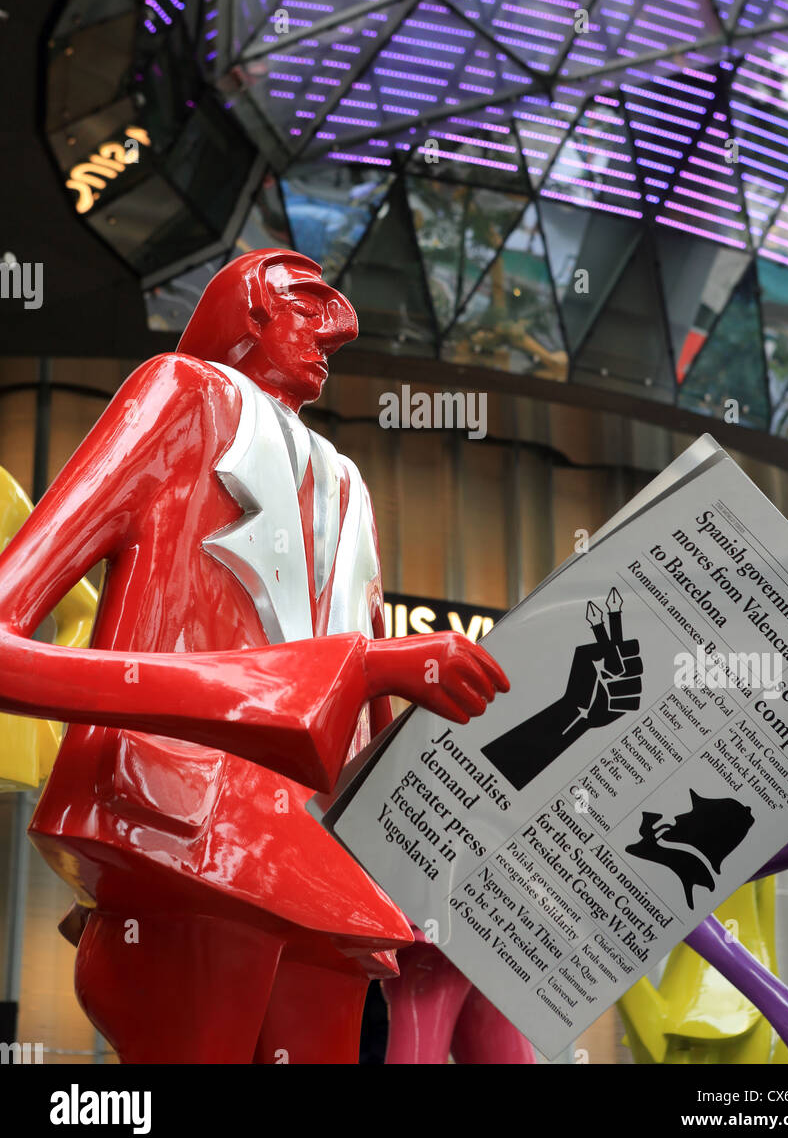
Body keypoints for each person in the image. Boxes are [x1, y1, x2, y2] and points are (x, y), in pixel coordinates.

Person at [0, 249, 507, 1063]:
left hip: (324, 875)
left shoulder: (348, 489)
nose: (331, 331)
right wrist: (354, 670)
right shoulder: (182, 395)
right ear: (248, 313)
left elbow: (369, 751)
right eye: (305, 304)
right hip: (184, 832)